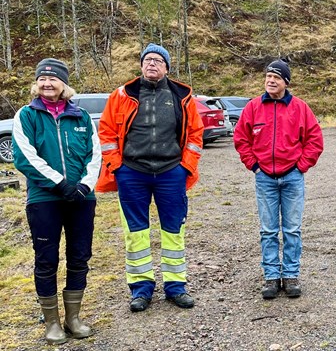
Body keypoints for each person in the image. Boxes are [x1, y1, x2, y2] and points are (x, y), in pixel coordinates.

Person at [96, 43, 204, 312]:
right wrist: (117, 167)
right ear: (141, 65)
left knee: (174, 230)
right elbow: (106, 133)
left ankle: (175, 286)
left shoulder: (181, 97)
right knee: (136, 233)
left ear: (167, 67)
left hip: (171, 173)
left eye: (158, 60)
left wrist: (185, 167)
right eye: (147, 60)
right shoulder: (121, 95)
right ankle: (141, 289)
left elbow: (195, 135)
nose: (152, 64)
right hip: (132, 174)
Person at [12, 58, 101, 344]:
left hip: (81, 197)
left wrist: (84, 185)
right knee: (47, 259)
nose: (47, 83)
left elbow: (94, 155)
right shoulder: (26, 115)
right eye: (42, 79)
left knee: (79, 256)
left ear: (64, 84)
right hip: (44, 199)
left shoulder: (82, 117)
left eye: (53, 79)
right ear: (36, 84)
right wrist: (60, 183)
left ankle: (73, 318)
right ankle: (51, 323)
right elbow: (25, 156)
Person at [233, 59, 324, 299]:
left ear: (286, 82)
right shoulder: (253, 108)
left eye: (276, 77)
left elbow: (315, 140)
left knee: (292, 230)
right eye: (268, 77)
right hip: (265, 179)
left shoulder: (300, 108)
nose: (271, 81)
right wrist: (254, 166)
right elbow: (241, 138)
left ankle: (291, 275)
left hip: (292, 178)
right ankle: (271, 277)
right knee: (268, 230)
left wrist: (301, 166)